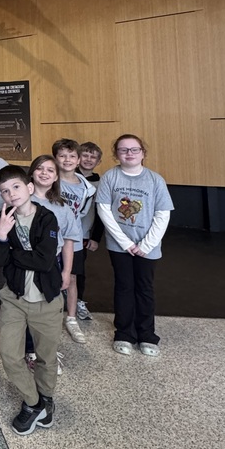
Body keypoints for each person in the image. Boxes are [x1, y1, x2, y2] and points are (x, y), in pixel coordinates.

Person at [0, 165, 62, 435]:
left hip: (47, 300)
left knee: (46, 356)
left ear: (30, 187)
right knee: (9, 353)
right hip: (14, 298)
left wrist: (11, 254)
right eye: (5, 191)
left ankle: (47, 399)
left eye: (16, 187)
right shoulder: (4, 218)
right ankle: (33, 402)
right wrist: (0, 235)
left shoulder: (47, 219)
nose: (11, 194)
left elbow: (44, 261)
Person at [96, 135, 174, 357]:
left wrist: (146, 244)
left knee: (144, 289)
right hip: (120, 246)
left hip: (148, 247)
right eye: (123, 150)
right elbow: (104, 211)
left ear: (143, 152)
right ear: (116, 153)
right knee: (124, 287)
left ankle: (147, 334)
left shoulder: (155, 180)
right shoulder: (110, 177)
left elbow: (162, 214)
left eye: (134, 149)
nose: (129, 153)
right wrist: (126, 243)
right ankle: (124, 333)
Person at [29, 155, 80, 374]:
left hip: (53, 263)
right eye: (39, 168)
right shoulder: (21, 200)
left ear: (56, 176)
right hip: (26, 263)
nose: (44, 173)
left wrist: (67, 271)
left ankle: (46, 351)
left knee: (47, 310)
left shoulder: (62, 207)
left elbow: (68, 242)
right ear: (31, 172)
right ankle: (30, 351)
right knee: (27, 309)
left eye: (50, 170)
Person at [52, 138, 95, 344]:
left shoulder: (86, 187)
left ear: (78, 160)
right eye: (62, 155)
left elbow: (82, 213)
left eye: (71, 156)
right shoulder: (50, 180)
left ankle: (71, 317)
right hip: (51, 240)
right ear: (55, 158)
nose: (67, 160)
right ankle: (49, 317)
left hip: (73, 239)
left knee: (72, 279)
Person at [76, 141, 105, 320]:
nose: (88, 159)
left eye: (92, 157)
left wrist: (96, 238)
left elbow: (102, 213)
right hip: (61, 232)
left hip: (84, 233)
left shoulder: (101, 183)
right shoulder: (67, 177)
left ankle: (78, 299)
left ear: (98, 161)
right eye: (85, 155)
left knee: (79, 269)